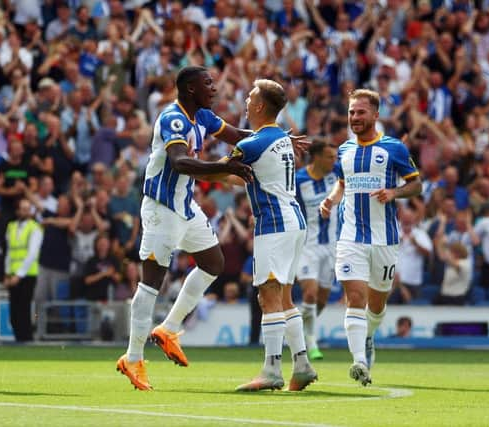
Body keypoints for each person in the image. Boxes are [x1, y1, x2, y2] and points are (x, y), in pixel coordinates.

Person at [115, 66, 254, 391]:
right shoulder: (172, 119)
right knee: (151, 282)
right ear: (190, 88)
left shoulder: (202, 116)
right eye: (208, 83)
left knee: (213, 263)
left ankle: (168, 328)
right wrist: (223, 168)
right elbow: (179, 161)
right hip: (161, 208)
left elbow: (236, 135)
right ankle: (133, 358)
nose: (214, 88)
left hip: (185, 205)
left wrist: (276, 140)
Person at [319, 89, 421, 386]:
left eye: (360, 112)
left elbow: (416, 186)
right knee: (355, 299)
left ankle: (369, 337)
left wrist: (395, 192)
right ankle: (359, 362)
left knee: (376, 305)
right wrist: (331, 199)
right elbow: (341, 184)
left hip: (385, 239)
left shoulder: (394, 149)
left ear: (375, 115)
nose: (355, 118)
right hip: (350, 236)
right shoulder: (343, 151)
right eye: (351, 112)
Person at [227, 80, 317, 392]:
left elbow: (224, 171)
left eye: (250, 96)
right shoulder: (281, 138)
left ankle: (272, 370)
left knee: (268, 296)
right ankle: (302, 364)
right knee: (284, 297)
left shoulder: (253, 144)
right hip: (294, 221)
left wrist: (186, 167)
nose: (246, 99)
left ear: (260, 106)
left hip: (274, 225)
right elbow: (252, 179)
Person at [295, 141, 340, 360]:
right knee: (310, 294)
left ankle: (299, 330)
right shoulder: (298, 180)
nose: (335, 161)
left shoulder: (337, 176)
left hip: (331, 247)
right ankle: (310, 342)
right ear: (317, 157)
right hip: (307, 246)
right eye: (330, 157)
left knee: (321, 301)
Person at [3, 197, 43, 342]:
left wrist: (18, 275)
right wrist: (7, 274)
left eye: (28, 209)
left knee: (24, 309)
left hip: (27, 274)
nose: (26, 211)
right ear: (18, 210)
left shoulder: (35, 227)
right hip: (13, 273)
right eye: (23, 208)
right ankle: (18, 340)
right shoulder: (11, 226)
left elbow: (32, 254)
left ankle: (27, 340)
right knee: (14, 312)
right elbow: (9, 252)